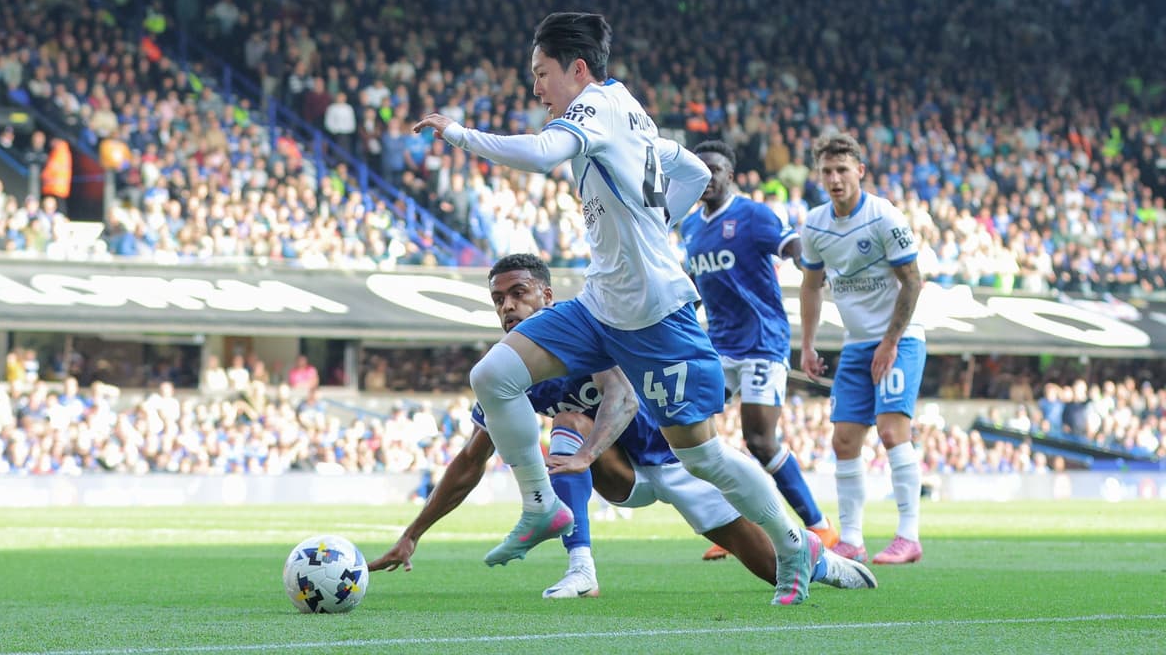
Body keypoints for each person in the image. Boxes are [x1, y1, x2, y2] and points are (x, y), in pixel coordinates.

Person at [414, 11, 814, 605]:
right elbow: (695, 169)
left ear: (577, 69)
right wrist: (660, 222)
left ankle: (792, 544)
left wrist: (459, 132)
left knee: (703, 456)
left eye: (541, 73)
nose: (535, 88)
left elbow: (544, 153)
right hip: (603, 302)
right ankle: (541, 507)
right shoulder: (629, 109)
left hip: (655, 314)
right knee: (492, 374)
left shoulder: (594, 108)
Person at [367, 254, 877, 598]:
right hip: (617, 471)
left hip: (677, 457)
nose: (507, 307)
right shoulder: (511, 370)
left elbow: (624, 394)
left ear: (546, 295)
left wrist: (588, 451)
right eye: (499, 300)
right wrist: (413, 534)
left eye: (518, 294)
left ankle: (818, 557)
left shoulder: (583, 324)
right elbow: (470, 460)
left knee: (768, 566)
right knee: (564, 423)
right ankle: (581, 569)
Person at [680, 141, 839, 561]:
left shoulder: (752, 215)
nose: (708, 176)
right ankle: (737, 527)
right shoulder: (691, 227)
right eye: (701, 169)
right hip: (717, 345)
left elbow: (790, 246)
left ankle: (818, 523)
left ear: (730, 175)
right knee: (693, 436)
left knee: (760, 440)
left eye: (715, 169)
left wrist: (809, 264)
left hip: (761, 343)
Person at [798, 133, 927, 565]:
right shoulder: (814, 224)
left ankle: (908, 536)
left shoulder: (883, 217)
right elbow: (812, 285)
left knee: (892, 432)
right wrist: (809, 343)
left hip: (900, 339)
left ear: (860, 173)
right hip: (856, 344)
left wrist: (890, 342)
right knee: (844, 440)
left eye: (842, 171)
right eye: (827, 172)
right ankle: (851, 538)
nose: (835, 179)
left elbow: (912, 281)